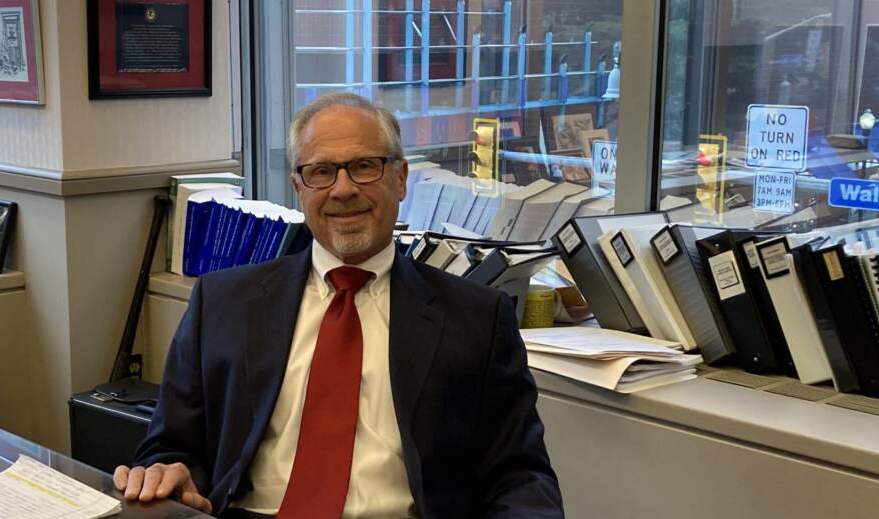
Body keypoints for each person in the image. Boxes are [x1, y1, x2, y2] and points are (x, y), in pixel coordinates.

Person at [114, 93, 563, 519]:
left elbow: (520, 475)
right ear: (298, 187)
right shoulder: (223, 302)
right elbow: (170, 448)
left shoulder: (478, 318)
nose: (342, 189)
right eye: (321, 172)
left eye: (364, 166)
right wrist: (171, 473)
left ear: (401, 178)